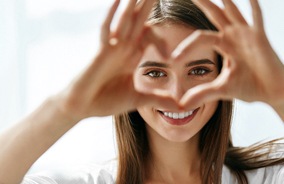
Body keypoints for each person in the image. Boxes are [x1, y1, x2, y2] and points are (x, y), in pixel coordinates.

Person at [0, 0, 284, 183]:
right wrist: (66, 108)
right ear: (128, 79)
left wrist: (279, 92)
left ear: (222, 73)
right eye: (155, 73)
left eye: (198, 70)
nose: (178, 93)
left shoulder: (267, 176)